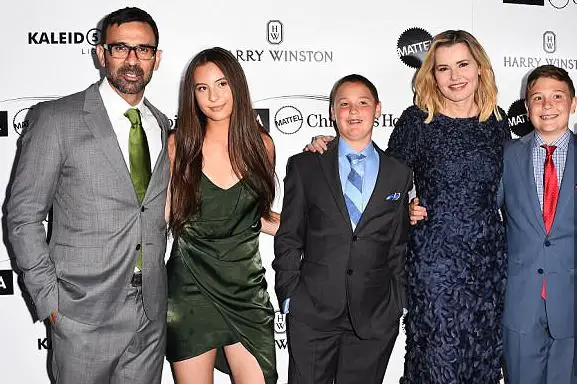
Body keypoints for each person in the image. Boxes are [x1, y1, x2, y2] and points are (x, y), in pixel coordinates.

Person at [307, 30, 511, 383]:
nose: (455, 76)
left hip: (488, 263)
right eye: (443, 68)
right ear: (431, 74)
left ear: (480, 68)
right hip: (435, 263)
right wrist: (335, 147)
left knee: (483, 362)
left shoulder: (496, 121)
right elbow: (384, 181)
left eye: (463, 65)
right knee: (437, 361)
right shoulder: (418, 120)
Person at [6, 7, 169, 384]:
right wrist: (51, 303)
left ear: (157, 59)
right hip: (81, 315)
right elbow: (23, 216)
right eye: (120, 48)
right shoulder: (56, 119)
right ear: (100, 53)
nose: (132, 60)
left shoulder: (162, 124)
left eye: (143, 50)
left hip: (150, 317)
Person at [411, 65, 576, 383]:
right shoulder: (508, 154)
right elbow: (476, 204)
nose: (547, 105)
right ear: (526, 108)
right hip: (518, 302)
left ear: (573, 103)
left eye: (557, 96)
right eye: (537, 98)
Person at [274, 74, 412, 384]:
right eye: (344, 104)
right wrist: (288, 294)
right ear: (332, 112)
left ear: (377, 109)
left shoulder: (398, 173)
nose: (353, 112)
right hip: (312, 313)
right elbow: (289, 238)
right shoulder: (305, 166)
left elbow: (398, 244)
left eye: (363, 103)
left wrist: (399, 301)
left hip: (375, 316)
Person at [165, 47, 279, 384]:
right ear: (192, 95)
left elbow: (256, 217)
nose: (213, 97)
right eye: (202, 88)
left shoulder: (263, 145)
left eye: (222, 84)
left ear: (237, 87)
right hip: (190, 288)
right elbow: (165, 215)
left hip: (245, 289)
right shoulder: (178, 145)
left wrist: (327, 227)